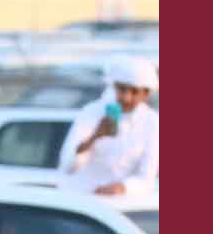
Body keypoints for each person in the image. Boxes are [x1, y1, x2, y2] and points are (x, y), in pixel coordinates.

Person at [67, 57, 158, 197]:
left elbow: (146, 177)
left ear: (146, 94)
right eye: (122, 89)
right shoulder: (91, 112)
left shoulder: (152, 122)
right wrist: (95, 137)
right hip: (81, 200)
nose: (126, 97)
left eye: (134, 91)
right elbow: (68, 167)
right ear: (114, 87)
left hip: (124, 204)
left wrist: (123, 187)